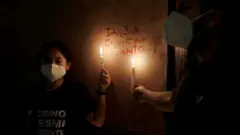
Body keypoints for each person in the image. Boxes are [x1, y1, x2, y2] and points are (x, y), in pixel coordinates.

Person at [133, 0, 223, 134]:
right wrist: (146, 95)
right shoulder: (194, 62)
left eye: (184, 9)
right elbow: (178, 99)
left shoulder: (217, 72)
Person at [24, 41, 111, 135]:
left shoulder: (77, 91)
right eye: (47, 61)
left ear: (68, 65)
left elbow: (98, 121)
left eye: (58, 61)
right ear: (40, 64)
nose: (52, 65)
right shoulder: (33, 94)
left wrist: (102, 89)